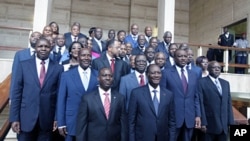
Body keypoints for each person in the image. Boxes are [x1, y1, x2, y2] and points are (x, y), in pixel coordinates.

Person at [9, 38, 63, 141]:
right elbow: (16, 93)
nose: (43, 49)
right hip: (25, 119)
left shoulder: (58, 68)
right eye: (40, 46)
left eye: (46, 46)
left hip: (47, 119)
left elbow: (59, 96)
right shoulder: (24, 65)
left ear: (51, 48)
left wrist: (57, 117)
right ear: (35, 48)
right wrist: (14, 118)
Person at [57, 48, 99, 141]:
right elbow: (61, 100)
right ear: (78, 57)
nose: (86, 58)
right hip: (72, 121)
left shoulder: (97, 75)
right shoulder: (66, 75)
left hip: (92, 122)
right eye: (83, 55)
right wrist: (61, 123)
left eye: (89, 55)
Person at [76, 68, 127, 141]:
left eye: (110, 76)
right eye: (104, 75)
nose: (108, 78)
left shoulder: (120, 98)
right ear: (98, 78)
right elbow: (81, 126)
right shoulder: (87, 99)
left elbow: (123, 124)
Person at [128, 64, 176, 141]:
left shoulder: (168, 94)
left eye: (158, 73)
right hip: (143, 137)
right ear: (147, 75)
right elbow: (131, 122)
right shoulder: (136, 93)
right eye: (153, 73)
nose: (156, 75)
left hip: (163, 137)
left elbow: (172, 121)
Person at [162, 49, 201, 141]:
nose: (183, 58)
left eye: (185, 56)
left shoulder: (194, 74)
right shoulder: (166, 73)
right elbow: (163, 97)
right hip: (172, 118)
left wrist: (198, 115)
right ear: (174, 58)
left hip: (189, 117)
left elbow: (196, 96)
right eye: (180, 56)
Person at [198, 61, 234, 141]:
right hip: (209, 124)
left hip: (224, 125)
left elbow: (228, 103)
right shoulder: (201, 82)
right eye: (214, 68)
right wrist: (203, 122)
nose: (217, 69)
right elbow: (200, 103)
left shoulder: (225, 83)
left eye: (219, 68)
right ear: (208, 69)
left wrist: (231, 122)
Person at [10, 31, 42, 100]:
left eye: (38, 37)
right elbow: (15, 76)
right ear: (29, 38)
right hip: (22, 94)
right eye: (33, 36)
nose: (35, 38)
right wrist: (12, 97)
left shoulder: (46, 55)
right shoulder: (20, 54)